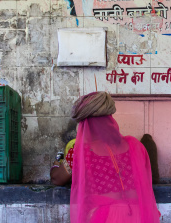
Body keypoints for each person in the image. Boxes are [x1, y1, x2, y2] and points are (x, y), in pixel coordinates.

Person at [68, 92, 161, 222]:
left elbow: (58, 178)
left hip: (103, 217)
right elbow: (149, 180)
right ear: (110, 119)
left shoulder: (82, 152)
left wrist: (60, 162)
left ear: (85, 125)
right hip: (138, 216)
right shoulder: (135, 146)